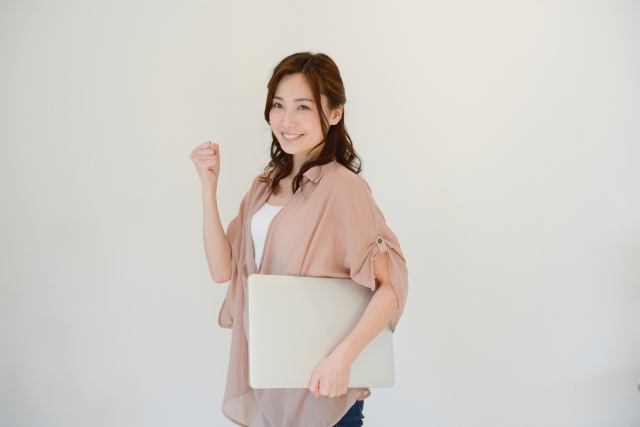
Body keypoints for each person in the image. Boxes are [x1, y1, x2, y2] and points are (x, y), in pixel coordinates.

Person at [190, 52, 409, 427]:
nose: (286, 121)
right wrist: (208, 188)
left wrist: (343, 359)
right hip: (272, 382)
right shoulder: (263, 187)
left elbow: (392, 286)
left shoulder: (343, 188)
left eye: (303, 107)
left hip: (323, 388)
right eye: (278, 105)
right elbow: (221, 270)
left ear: (335, 114)